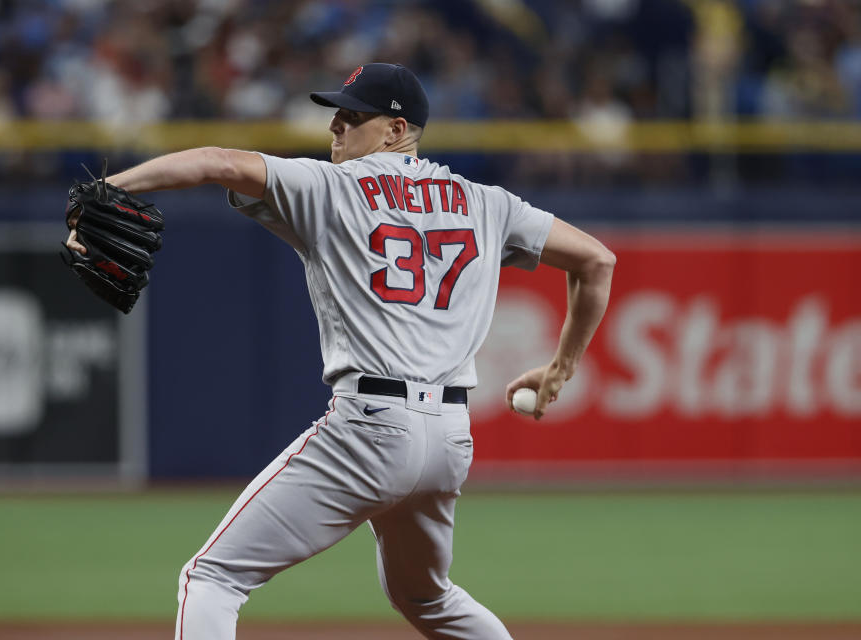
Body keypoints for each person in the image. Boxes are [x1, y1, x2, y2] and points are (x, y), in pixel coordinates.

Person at [66, 63, 615, 640]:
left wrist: (111, 190)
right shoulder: (489, 203)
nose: (335, 127)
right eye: (335, 115)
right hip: (450, 438)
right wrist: (560, 369)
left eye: (352, 117)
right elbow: (597, 261)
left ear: (396, 129)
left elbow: (216, 162)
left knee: (211, 578)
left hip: (370, 428)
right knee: (426, 598)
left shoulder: (329, 187)